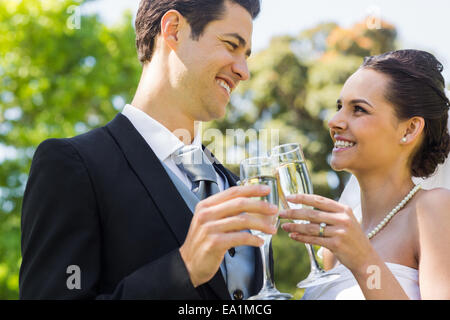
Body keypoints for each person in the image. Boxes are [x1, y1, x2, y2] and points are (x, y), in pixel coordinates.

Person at [19, 0, 278, 300]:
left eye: (246, 56)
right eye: (231, 45)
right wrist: (184, 268)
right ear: (173, 30)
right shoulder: (73, 167)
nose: (243, 71)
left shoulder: (234, 186)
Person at [280, 49, 450, 299]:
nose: (335, 121)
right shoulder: (336, 245)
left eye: (358, 109)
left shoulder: (433, 209)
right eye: (339, 106)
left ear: (410, 129)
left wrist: (363, 260)